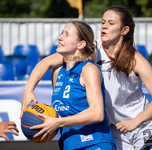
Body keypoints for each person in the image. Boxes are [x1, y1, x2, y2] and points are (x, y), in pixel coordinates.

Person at [21, 5, 152, 150]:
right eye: (103, 22)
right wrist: (29, 89)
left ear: (124, 30)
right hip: (116, 129)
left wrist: (135, 122)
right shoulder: (92, 50)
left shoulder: (135, 59)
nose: (104, 27)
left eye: (111, 23)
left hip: (142, 124)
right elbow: (45, 63)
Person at [27, 21, 116, 150]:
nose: (60, 37)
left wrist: (57, 122)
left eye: (66, 34)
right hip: (68, 145)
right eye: (61, 33)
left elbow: (97, 114)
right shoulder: (58, 72)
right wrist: (46, 125)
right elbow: (60, 113)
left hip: (94, 143)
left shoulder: (88, 69)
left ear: (81, 44)